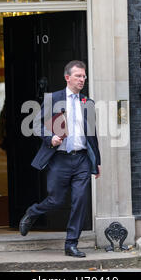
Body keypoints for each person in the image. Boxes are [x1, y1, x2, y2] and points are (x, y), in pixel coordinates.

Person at [19, 60, 101, 258]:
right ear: (67, 77)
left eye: (84, 76)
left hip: (81, 159)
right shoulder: (53, 99)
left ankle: (71, 244)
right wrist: (50, 138)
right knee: (56, 200)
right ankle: (33, 212)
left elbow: (92, 134)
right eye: (78, 76)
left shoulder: (87, 102)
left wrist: (96, 161)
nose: (82, 79)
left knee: (80, 200)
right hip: (59, 159)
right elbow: (36, 125)